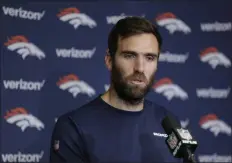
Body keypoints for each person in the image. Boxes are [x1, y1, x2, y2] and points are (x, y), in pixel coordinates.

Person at [49, 16, 181, 163]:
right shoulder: (73, 127)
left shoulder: (168, 122)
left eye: (149, 58)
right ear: (109, 60)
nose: (140, 68)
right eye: (130, 56)